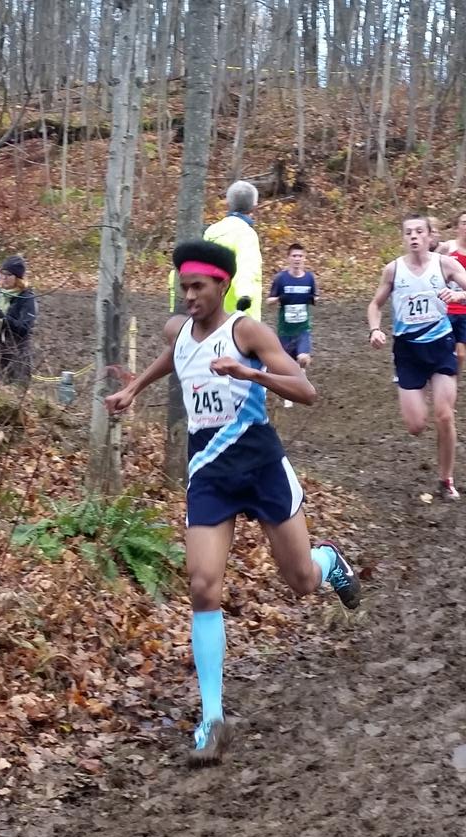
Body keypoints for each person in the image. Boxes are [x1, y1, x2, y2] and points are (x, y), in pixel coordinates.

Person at [106, 239, 361, 767]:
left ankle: (329, 561)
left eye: (199, 287)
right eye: (184, 287)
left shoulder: (247, 332)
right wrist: (135, 391)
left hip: (262, 468)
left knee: (301, 582)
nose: (190, 296)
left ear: (223, 284)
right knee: (202, 584)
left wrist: (251, 374)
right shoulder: (178, 329)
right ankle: (214, 719)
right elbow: (174, 355)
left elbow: (306, 389)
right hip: (210, 474)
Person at [367, 213, 466, 500]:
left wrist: (459, 297)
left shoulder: (445, 264)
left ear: (428, 236)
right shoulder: (393, 271)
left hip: (440, 345)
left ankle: (446, 479)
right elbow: (375, 304)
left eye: (419, 231)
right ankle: (418, 394)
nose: (413, 236)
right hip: (407, 351)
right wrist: (375, 329)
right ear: (403, 237)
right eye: (408, 232)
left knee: (445, 415)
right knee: (415, 426)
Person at [168, 180, 263, 319]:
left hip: (211, 313)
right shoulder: (246, 234)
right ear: (254, 208)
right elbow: (247, 268)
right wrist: (245, 297)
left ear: (229, 204)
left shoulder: (211, 232)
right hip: (240, 317)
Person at [267, 242, 317, 407]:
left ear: (304, 258)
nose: (297, 259)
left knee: (303, 358)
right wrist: (280, 298)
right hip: (285, 330)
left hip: (303, 328)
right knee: (286, 365)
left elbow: (315, 297)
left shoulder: (309, 278)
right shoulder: (281, 278)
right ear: (288, 258)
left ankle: (300, 375)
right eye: (294, 256)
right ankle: (290, 393)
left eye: (300, 256)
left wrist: (313, 299)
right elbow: (269, 301)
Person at [0, 255, 37, 384]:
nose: (4, 278)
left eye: (8, 275)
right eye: (2, 274)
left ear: (17, 278)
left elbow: (23, 329)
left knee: (13, 395)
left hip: (17, 356)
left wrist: (0, 315)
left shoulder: (26, 298)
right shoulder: (2, 296)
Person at [437, 211, 466, 375]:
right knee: (443, 349)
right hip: (445, 308)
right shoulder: (448, 247)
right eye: (464, 222)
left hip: (464, 309)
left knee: (461, 354)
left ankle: (452, 379)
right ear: (457, 227)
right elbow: (430, 262)